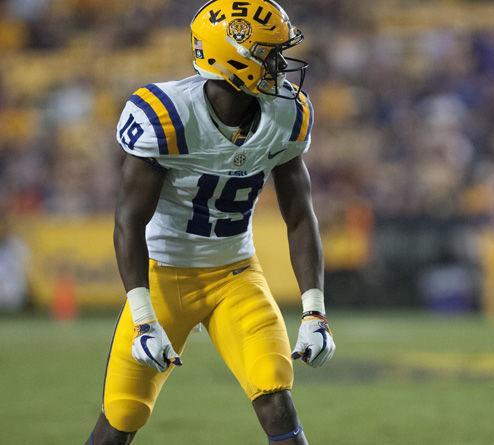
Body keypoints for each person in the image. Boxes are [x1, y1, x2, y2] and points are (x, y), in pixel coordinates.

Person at [85, 1, 335, 443]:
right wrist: (143, 317)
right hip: (164, 276)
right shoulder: (167, 116)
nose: (281, 65)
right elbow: (129, 221)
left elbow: (300, 215)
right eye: (270, 54)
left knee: (275, 395)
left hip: (236, 275)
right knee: (121, 419)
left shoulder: (285, 114)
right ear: (235, 57)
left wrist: (315, 311)